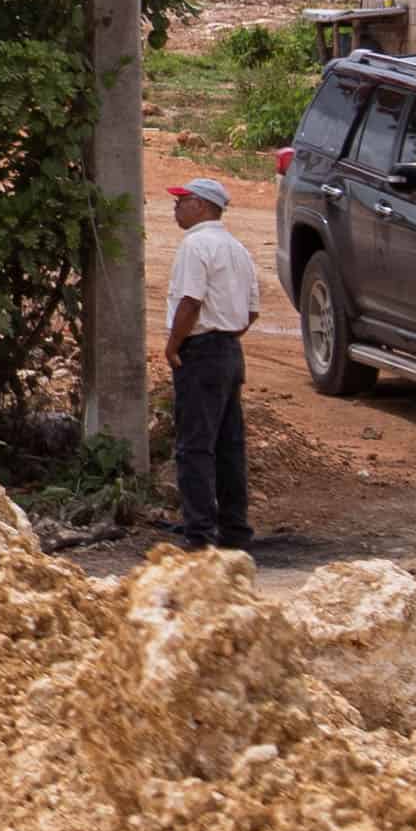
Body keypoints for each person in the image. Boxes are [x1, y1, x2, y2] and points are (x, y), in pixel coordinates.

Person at [164, 172, 263, 553]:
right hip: (229, 351)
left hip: (201, 351)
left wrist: (174, 345)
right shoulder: (237, 248)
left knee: (194, 445)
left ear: (201, 205)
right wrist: (228, 336)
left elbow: (190, 301)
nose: (175, 207)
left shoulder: (195, 246)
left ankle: (199, 533)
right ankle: (235, 529)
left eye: (182, 200)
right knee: (228, 443)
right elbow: (251, 310)